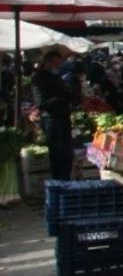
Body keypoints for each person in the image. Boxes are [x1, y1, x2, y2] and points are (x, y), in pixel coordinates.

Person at [31, 51, 74, 180]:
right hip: (51, 119)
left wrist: (69, 95)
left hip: (63, 117)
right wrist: (61, 98)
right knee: (57, 153)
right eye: (56, 63)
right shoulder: (39, 78)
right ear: (48, 63)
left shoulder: (56, 76)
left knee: (67, 153)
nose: (59, 66)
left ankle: (66, 179)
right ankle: (58, 180)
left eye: (59, 63)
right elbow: (41, 103)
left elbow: (64, 92)